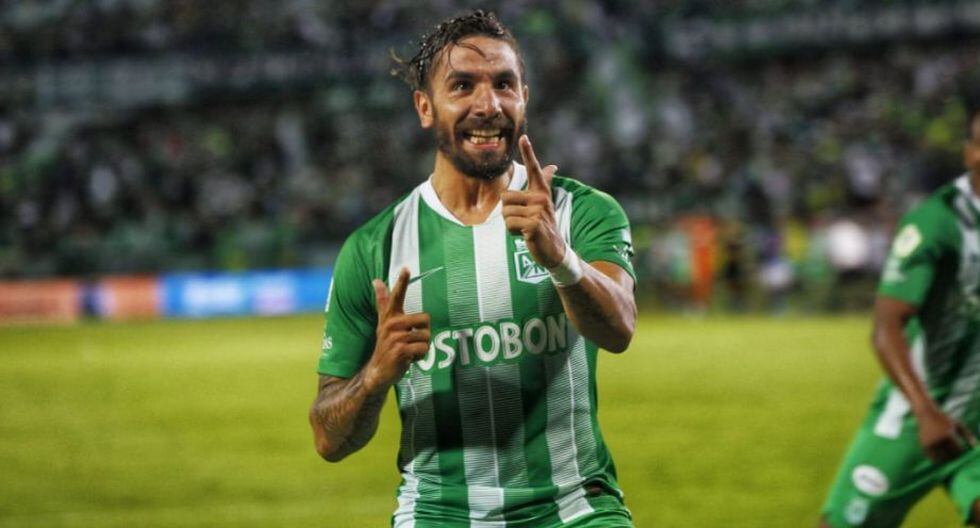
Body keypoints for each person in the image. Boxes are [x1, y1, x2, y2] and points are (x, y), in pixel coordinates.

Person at [307, 10, 637, 528]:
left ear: (523, 97)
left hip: (575, 509)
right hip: (437, 514)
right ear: (425, 107)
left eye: (504, 84)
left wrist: (560, 258)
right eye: (462, 86)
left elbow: (619, 330)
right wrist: (374, 375)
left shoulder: (580, 212)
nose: (488, 105)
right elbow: (328, 439)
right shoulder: (375, 247)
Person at [821, 111, 980, 527]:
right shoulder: (937, 223)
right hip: (920, 417)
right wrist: (925, 411)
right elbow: (886, 326)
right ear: (969, 153)